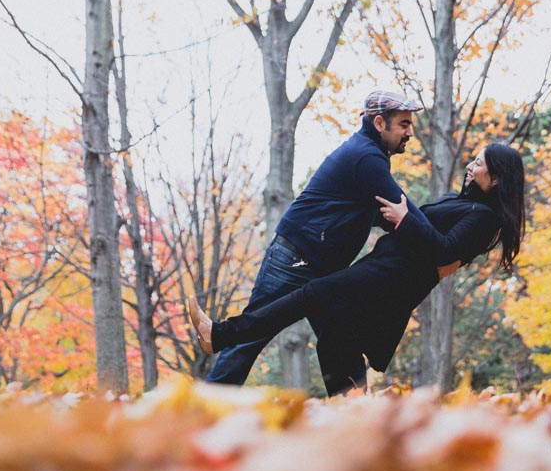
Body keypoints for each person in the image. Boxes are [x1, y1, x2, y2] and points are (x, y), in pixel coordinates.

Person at [191, 142, 526, 395]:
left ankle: (221, 334)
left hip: (394, 279)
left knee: (312, 294)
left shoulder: (485, 218)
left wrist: (406, 220)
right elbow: (423, 234)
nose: (470, 166)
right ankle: (351, 401)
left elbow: (444, 250)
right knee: (336, 337)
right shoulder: (463, 202)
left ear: (496, 179)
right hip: (386, 267)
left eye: (479, 164)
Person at [204, 90, 428, 390]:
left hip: (322, 265)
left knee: (341, 336)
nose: (409, 132)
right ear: (379, 123)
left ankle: (355, 410)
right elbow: (403, 208)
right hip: (295, 257)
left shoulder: (368, 156)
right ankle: (205, 406)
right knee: (251, 336)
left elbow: (382, 213)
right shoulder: (365, 157)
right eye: (403, 124)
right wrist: (438, 239)